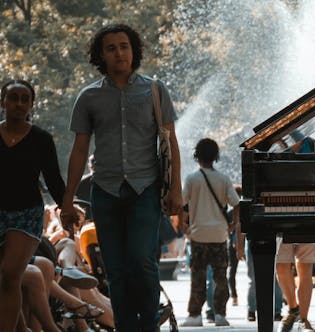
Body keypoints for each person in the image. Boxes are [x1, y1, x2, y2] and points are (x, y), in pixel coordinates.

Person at [60, 24, 183, 331]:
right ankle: (126, 327)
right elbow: (79, 150)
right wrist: (67, 200)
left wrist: (176, 191)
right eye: (111, 48)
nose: (119, 53)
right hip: (105, 191)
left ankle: (148, 325)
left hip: (145, 189)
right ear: (102, 55)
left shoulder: (155, 90)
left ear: (134, 50)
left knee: (142, 262)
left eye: (124, 46)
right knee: (115, 269)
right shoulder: (88, 97)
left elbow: (171, 142)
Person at [1, 79, 66, 332]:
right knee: (4, 281)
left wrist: (67, 208)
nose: (18, 104)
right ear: (2, 102)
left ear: (31, 105)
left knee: (10, 275)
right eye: (12, 97)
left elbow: (53, 179)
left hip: (26, 214)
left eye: (24, 99)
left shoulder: (41, 139)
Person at [180, 138, 239, 327]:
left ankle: (195, 315)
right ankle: (220, 314)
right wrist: (233, 225)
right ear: (216, 156)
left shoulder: (191, 179)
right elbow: (237, 204)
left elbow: (181, 204)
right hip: (219, 235)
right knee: (220, 276)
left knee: (198, 275)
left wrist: (183, 226)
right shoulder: (223, 179)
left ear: (197, 156)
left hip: (198, 235)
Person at [276, 135, 315, 332]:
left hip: (310, 212)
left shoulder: (313, 146)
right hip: (278, 212)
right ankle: (293, 308)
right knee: (280, 265)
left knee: (305, 269)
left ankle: (303, 318)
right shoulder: (273, 149)